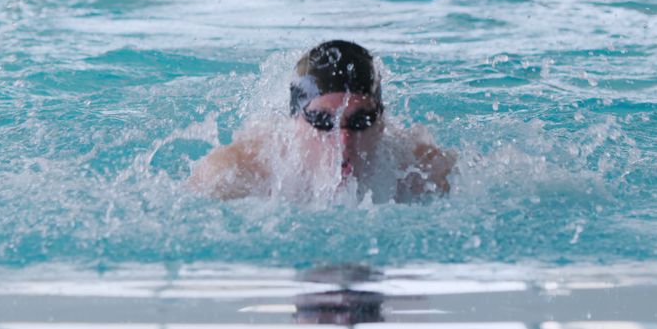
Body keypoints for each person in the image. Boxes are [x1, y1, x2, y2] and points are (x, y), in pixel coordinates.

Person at [186, 40, 455, 203]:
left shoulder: (422, 170)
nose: (343, 140)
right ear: (294, 123)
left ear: (382, 122)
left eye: (360, 121)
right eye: (322, 122)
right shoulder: (237, 173)